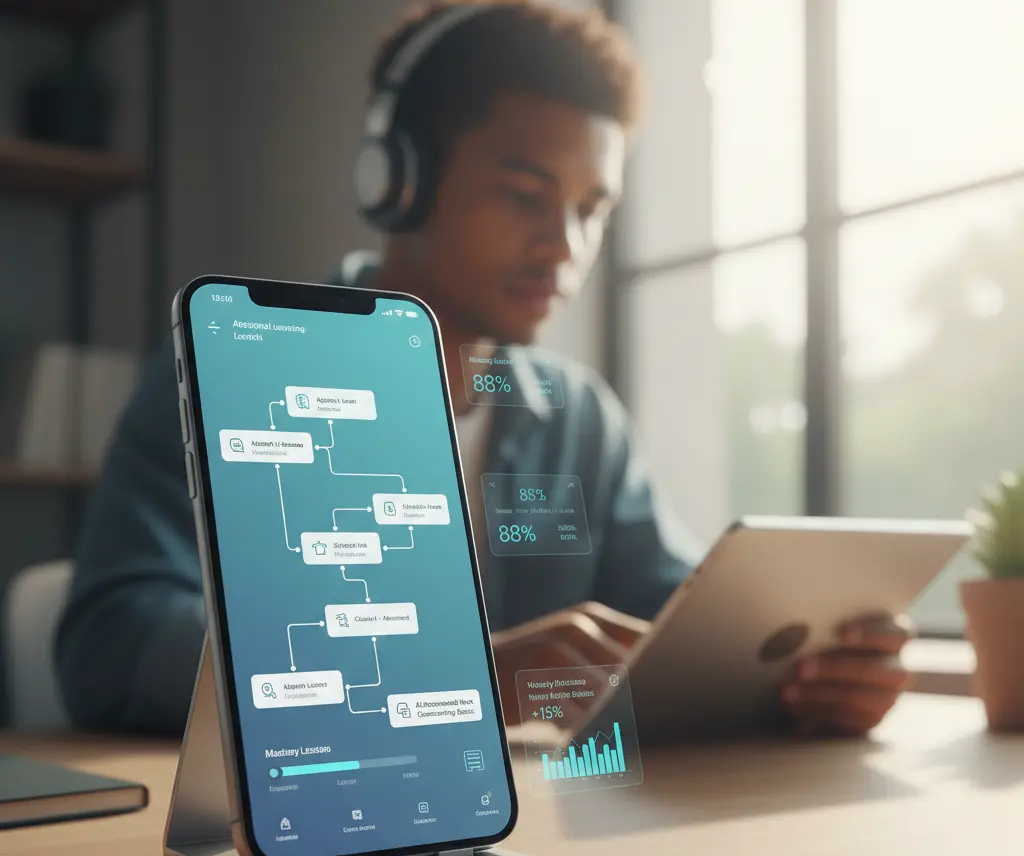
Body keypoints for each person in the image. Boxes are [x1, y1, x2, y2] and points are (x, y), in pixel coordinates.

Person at [56, 0, 913, 738]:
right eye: (525, 194)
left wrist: (806, 678)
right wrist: (443, 677)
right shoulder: (233, 365)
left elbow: (676, 629)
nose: (564, 248)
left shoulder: (576, 417)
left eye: (590, 209)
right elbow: (111, 643)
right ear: (398, 180)